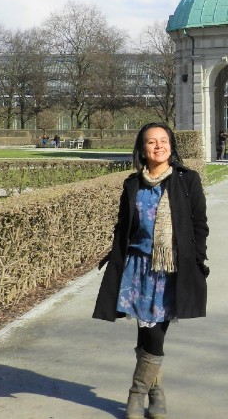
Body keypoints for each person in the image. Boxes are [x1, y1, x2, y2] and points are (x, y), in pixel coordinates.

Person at [93, 123, 209, 419]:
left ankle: (136, 394)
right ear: (142, 149)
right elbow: (123, 226)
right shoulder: (132, 183)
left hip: (172, 270)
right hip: (138, 269)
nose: (159, 146)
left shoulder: (187, 180)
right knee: (148, 334)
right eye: (151, 142)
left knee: (154, 333)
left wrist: (198, 261)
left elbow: (199, 225)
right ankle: (155, 393)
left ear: (171, 145)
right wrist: (114, 258)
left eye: (163, 141)